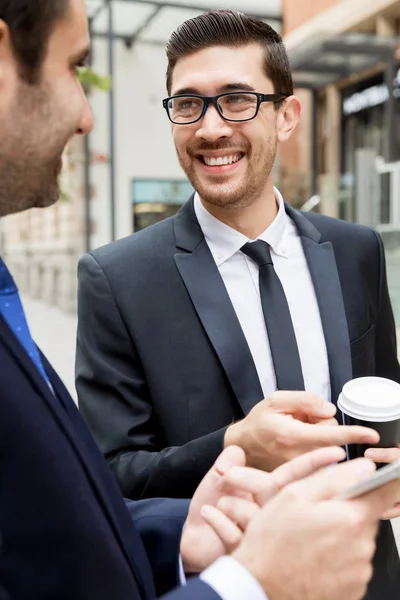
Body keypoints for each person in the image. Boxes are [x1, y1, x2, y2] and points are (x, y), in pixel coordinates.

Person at [1, 2, 397, 600]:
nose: (211, 127)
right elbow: (109, 478)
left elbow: (383, 397)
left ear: (287, 116)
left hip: (365, 568)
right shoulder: (116, 278)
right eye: (188, 104)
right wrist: (231, 444)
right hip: (222, 574)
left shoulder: (357, 250)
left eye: (237, 99)